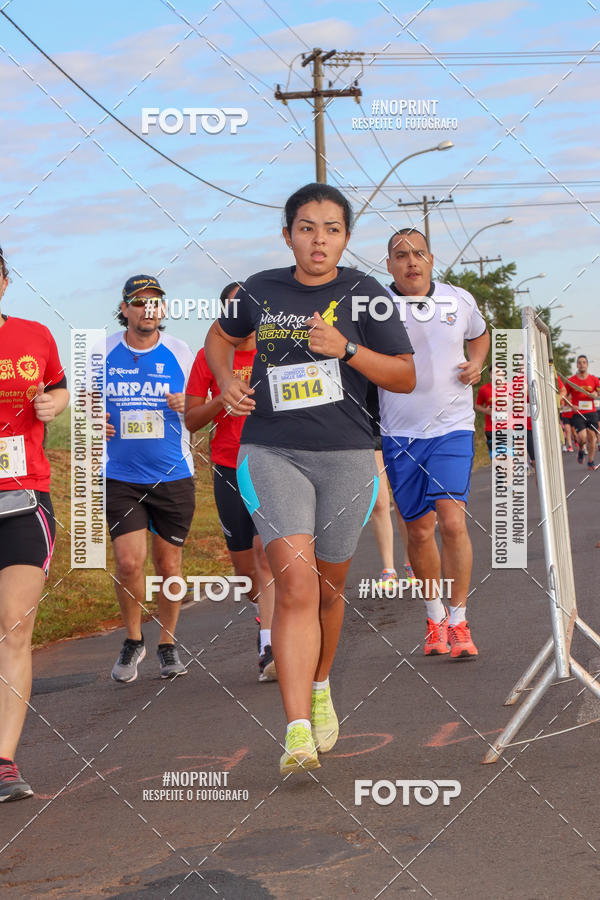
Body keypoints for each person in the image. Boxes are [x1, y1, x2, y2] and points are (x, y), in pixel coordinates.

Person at [204, 183, 415, 774]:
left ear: (346, 237)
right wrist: (226, 381)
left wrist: (346, 349)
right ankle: (297, 730)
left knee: (328, 588)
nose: (318, 239)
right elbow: (219, 336)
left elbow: (403, 377)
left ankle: (321, 685)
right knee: (294, 585)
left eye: (331, 228)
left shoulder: (367, 295)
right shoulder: (260, 290)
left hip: (347, 453)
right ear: (288, 234)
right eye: (306, 227)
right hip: (272, 450)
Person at [379, 228, 489, 660]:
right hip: (400, 433)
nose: (411, 261)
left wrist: (476, 362)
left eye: (419, 253)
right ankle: (434, 616)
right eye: (401, 255)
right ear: (389, 264)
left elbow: (480, 335)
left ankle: (459, 620)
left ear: (431, 260)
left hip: (454, 427)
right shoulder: (377, 307)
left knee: (453, 521)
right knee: (420, 530)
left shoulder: (458, 300)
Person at [99, 275, 195, 682]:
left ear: (164, 310)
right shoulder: (101, 351)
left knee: (168, 565)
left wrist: (188, 402)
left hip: (173, 474)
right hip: (121, 475)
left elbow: (203, 406)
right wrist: (93, 422)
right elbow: (82, 404)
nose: (147, 309)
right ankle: (134, 638)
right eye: (139, 302)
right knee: (127, 562)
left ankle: (168, 644)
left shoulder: (180, 351)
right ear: (124, 309)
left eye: (155, 302)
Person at [0, 245, 69, 801]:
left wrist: (55, 404)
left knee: (14, 627)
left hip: (22, 500)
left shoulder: (34, 335)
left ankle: (3, 763)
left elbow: (57, 385)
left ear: (3, 280)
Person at [185, 282, 276, 682]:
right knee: (245, 569)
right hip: (227, 466)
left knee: (266, 552)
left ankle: (272, 643)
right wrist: (220, 398)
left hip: (271, 461)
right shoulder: (210, 357)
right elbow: (191, 420)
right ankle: (267, 616)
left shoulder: (276, 350)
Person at [365, 381, 414, 586]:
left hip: (400, 429)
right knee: (379, 502)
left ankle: (411, 563)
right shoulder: (353, 355)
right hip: (368, 431)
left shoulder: (395, 353)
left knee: (404, 502)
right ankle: (388, 568)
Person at [564, 355, 599, 471]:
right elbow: (564, 396)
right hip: (578, 413)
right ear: (577, 365)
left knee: (592, 437)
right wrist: (571, 405)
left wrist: (596, 395)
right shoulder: (571, 381)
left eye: (584, 362)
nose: (582, 364)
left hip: (591, 412)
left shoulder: (594, 380)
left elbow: (599, 392)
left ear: (587, 365)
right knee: (582, 437)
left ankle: (590, 461)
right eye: (579, 363)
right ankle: (581, 448)